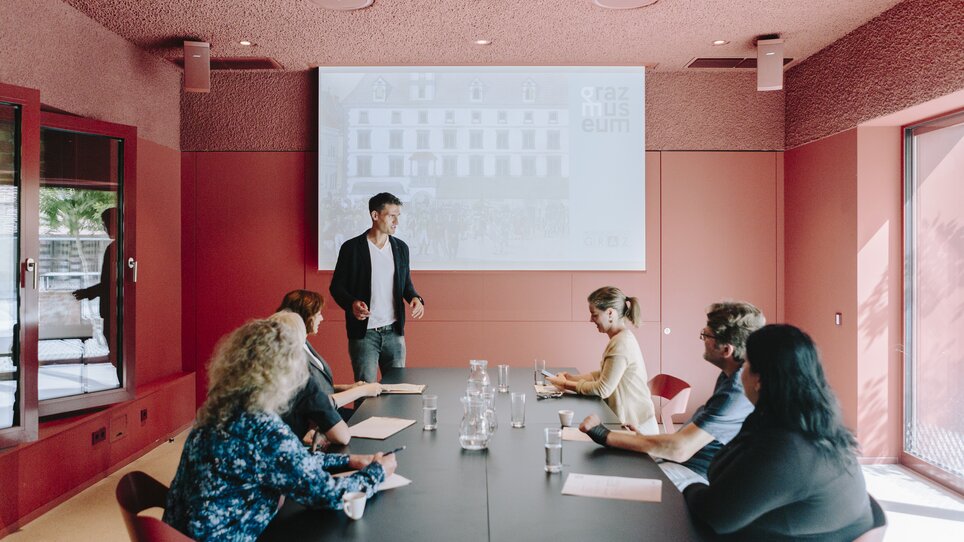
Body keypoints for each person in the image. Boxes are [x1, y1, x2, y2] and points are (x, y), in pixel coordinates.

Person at [163, 313, 397, 541]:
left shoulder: (215, 414)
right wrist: (378, 471)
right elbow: (329, 494)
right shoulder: (262, 430)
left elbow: (287, 461)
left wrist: (347, 461)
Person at [683, 324, 874, 541]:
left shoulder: (788, 446)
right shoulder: (807, 422)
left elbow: (716, 515)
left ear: (759, 381)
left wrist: (688, 487)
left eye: (746, 364)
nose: (740, 372)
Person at [579, 301, 764, 488]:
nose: (703, 340)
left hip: (694, 471)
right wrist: (641, 439)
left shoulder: (736, 390)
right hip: (682, 462)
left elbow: (680, 449)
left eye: (706, 335)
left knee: (607, 485)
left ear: (726, 350)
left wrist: (604, 434)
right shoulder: (730, 376)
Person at [330, 192, 424, 382]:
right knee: (366, 395)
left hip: (394, 333)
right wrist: (352, 303)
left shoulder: (401, 248)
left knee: (398, 393)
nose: (397, 221)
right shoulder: (351, 248)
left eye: (398, 216)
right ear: (375, 215)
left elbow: (406, 284)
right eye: (392, 215)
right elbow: (337, 287)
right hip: (365, 334)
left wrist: (415, 298)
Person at [273, 289, 382, 447]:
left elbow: (311, 388)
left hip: (326, 415)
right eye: (318, 314)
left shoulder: (303, 343)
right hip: (316, 422)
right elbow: (313, 400)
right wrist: (363, 390)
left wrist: (345, 387)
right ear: (306, 317)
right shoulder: (291, 353)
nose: (322, 318)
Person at [546, 287, 658, 432]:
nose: (591, 320)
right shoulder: (621, 339)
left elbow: (602, 389)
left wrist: (566, 384)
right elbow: (603, 375)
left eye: (594, 315)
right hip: (630, 423)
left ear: (610, 313)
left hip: (636, 429)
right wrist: (572, 379)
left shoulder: (621, 344)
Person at [72, 207, 117, 357]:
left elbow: (111, 283)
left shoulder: (115, 249)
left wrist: (87, 292)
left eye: (105, 224)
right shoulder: (115, 247)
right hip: (113, 310)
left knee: (117, 352)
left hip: (115, 310)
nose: (104, 228)